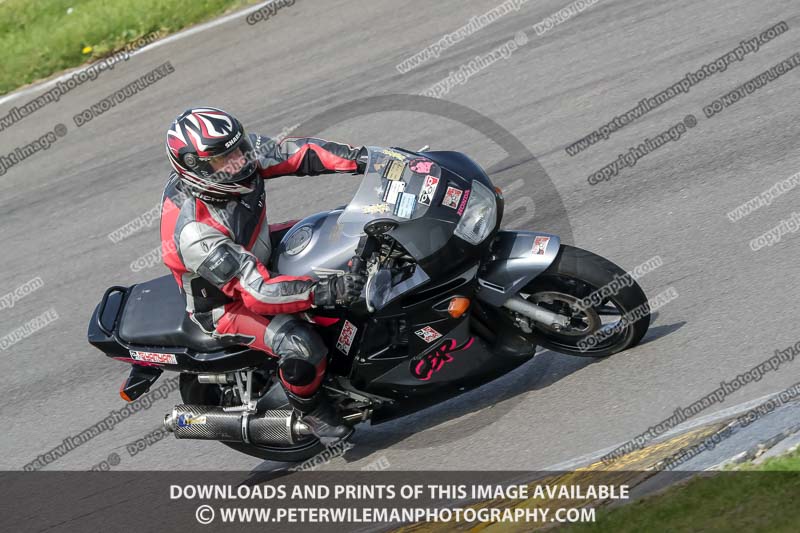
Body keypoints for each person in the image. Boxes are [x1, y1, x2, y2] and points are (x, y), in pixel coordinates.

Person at [160, 106, 366, 442]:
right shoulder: (196, 232)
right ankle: (311, 411)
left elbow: (299, 152)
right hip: (228, 303)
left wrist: (365, 158)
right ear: (195, 167)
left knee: (344, 229)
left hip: (254, 250)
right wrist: (327, 291)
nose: (238, 161)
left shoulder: (237, 156)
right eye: (222, 159)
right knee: (302, 346)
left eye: (238, 149)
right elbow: (259, 293)